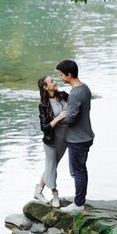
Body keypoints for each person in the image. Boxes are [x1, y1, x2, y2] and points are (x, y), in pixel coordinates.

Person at [54, 60, 94, 212]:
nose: (61, 78)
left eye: (62, 75)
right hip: (86, 135)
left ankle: (78, 204)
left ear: (69, 75)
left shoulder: (76, 93)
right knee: (81, 170)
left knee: (76, 172)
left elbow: (71, 118)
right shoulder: (85, 88)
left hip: (78, 139)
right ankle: (80, 200)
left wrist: (56, 120)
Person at [34, 75, 69, 208]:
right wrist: (58, 117)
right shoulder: (43, 105)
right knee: (52, 167)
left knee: (51, 166)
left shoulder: (64, 95)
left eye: (54, 80)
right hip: (51, 141)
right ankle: (55, 195)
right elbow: (44, 127)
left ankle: (38, 191)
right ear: (45, 87)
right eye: (52, 81)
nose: (55, 82)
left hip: (64, 139)